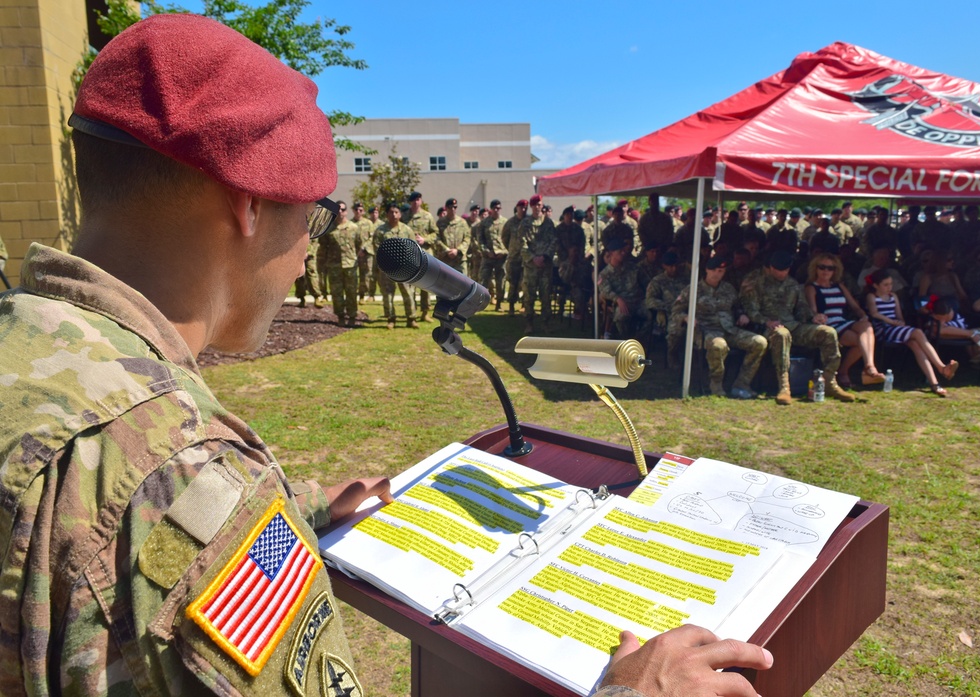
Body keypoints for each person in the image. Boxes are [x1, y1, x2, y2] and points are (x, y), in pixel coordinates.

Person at [0, 15, 773, 697]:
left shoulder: (23, 342)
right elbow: (148, 502)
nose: (307, 249)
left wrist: (294, 510)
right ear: (249, 201)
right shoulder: (185, 477)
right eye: (314, 210)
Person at [740, 250, 855, 405]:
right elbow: (751, 310)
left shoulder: (792, 284)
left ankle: (829, 381)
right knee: (781, 334)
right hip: (768, 327)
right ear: (771, 268)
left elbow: (801, 307)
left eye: (786, 270)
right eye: (779, 270)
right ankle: (784, 386)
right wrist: (766, 321)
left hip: (793, 325)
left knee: (828, 333)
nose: (783, 273)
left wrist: (812, 317)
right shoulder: (757, 283)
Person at [670, 255, 767, 398]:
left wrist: (741, 315)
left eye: (721, 271)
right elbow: (676, 311)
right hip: (706, 331)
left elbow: (737, 306)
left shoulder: (728, 289)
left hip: (729, 329)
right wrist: (686, 317)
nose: (717, 274)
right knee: (718, 345)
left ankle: (742, 383)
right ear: (707, 270)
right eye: (715, 270)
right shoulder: (693, 289)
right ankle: (716, 382)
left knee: (759, 342)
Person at [865, 270, 958, 396]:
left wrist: (901, 322)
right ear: (876, 285)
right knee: (918, 332)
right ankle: (941, 367)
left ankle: (934, 383)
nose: (889, 287)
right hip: (883, 329)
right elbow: (874, 313)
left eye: (890, 284)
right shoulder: (872, 296)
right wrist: (892, 322)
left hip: (896, 328)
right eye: (885, 285)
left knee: (916, 345)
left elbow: (899, 315)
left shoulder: (893, 296)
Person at [803, 253, 884, 388]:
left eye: (830, 268)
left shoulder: (839, 286)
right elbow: (812, 309)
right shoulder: (811, 287)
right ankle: (849, 371)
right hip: (828, 323)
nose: (826, 271)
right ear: (815, 268)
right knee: (862, 341)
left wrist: (862, 315)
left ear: (835, 271)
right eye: (822, 267)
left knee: (867, 327)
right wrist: (817, 316)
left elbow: (854, 306)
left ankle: (868, 366)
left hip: (843, 321)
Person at [374, 202, 418, 329]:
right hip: (387, 268)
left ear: (400, 214)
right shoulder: (381, 231)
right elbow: (377, 248)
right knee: (388, 294)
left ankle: (411, 318)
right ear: (387, 214)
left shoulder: (407, 230)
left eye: (396, 212)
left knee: (408, 293)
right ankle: (391, 318)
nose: (394, 215)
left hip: (404, 268)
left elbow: (413, 248)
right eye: (391, 212)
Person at [519, 194, 558, 333]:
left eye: (539, 204)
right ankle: (529, 323)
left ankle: (546, 323)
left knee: (546, 295)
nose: (537, 207)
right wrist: (532, 258)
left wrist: (545, 256)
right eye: (535, 204)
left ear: (542, 206)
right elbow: (522, 243)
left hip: (545, 266)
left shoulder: (548, 223)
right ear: (531, 206)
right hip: (531, 267)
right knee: (529, 296)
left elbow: (553, 241)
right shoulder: (525, 223)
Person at [402, 191, 438, 321]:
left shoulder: (428, 216)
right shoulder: (405, 216)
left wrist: (425, 239)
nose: (416, 202)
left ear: (421, 201)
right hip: (410, 256)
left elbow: (435, 233)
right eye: (413, 200)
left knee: (426, 285)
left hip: (425, 255)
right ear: (410, 202)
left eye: (418, 199)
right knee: (410, 285)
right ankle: (412, 312)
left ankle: (425, 312)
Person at [477, 199, 508, 311]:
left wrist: (503, 252)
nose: (496, 210)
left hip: (501, 258)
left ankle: (498, 304)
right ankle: (481, 303)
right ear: (491, 209)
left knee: (501, 282)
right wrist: (486, 251)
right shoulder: (484, 223)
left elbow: (510, 241)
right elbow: (480, 240)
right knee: (483, 280)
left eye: (498, 208)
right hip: (488, 257)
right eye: (494, 208)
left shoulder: (505, 222)